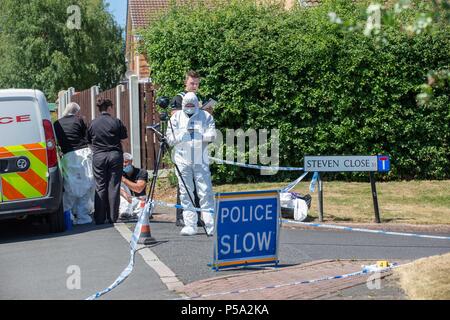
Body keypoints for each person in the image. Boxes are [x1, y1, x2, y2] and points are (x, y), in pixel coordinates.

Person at [166, 92, 216, 236]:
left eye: (191, 105)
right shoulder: (176, 117)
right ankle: (190, 224)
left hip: (200, 159)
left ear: (196, 104)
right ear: (182, 105)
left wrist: (199, 135)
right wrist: (182, 135)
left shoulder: (206, 116)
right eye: (186, 105)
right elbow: (169, 139)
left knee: (205, 191)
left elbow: (213, 134)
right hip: (182, 159)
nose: (189, 108)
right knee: (185, 192)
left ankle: (209, 223)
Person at [170, 70, 204, 227]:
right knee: (184, 181)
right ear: (186, 83)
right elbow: (175, 117)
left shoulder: (198, 99)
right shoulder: (179, 98)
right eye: (192, 83)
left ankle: (196, 216)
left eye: (197, 83)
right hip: (183, 146)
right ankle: (181, 215)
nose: (195, 86)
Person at [87, 98, 128, 224]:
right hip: (114, 155)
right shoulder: (116, 121)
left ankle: (99, 218)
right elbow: (124, 138)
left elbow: (88, 140)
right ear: (109, 108)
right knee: (114, 186)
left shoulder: (93, 123)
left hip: (99, 156)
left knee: (100, 186)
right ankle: (112, 216)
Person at [54, 102, 94, 225]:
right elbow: (87, 137)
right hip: (82, 154)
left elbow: (57, 141)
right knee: (86, 184)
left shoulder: (57, 124)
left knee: (70, 186)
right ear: (76, 111)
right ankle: (83, 216)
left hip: (67, 156)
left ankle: (68, 214)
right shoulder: (79, 120)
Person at [119, 153, 149, 220]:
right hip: (126, 198)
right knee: (118, 187)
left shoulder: (141, 172)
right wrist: (124, 193)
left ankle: (136, 213)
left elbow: (139, 189)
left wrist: (123, 179)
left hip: (139, 198)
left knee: (150, 204)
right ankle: (126, 212)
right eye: (122, 163)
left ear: (131, 161)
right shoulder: (119, 172)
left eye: (126, 162)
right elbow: (114, 187)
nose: (124, 164)